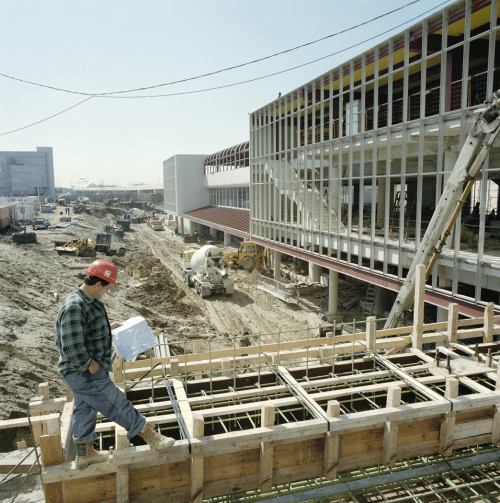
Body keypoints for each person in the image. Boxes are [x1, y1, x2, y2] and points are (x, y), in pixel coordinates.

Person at [55, 259, 174, 470]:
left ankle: (84, 453)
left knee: (85, 408)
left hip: (84, 372)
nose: (108, 291)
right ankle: (151, 437)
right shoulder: (75, 306)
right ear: (98, 283)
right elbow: (72, 346)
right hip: (83, 372)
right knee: (116, 402)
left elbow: (86, 331)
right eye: (108, 286)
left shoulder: (90, 302)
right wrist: (92, 367)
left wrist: (110, 328)